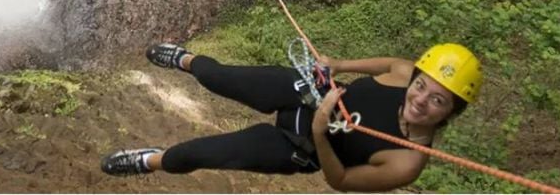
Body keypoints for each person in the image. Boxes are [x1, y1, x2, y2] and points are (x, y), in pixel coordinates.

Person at [100, 42, 481, 192]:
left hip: (297, 147)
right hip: (303, 92)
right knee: (219, 76)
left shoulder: (407, 161)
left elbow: (341, 180)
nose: (421, 101)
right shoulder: (404, 73)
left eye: (438, 101)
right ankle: (184, 58)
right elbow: (393, 63)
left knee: (202, 154)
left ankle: (149, 161)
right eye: (422, 87)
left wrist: (320, 134)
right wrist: (339, 63)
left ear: (451, 112)